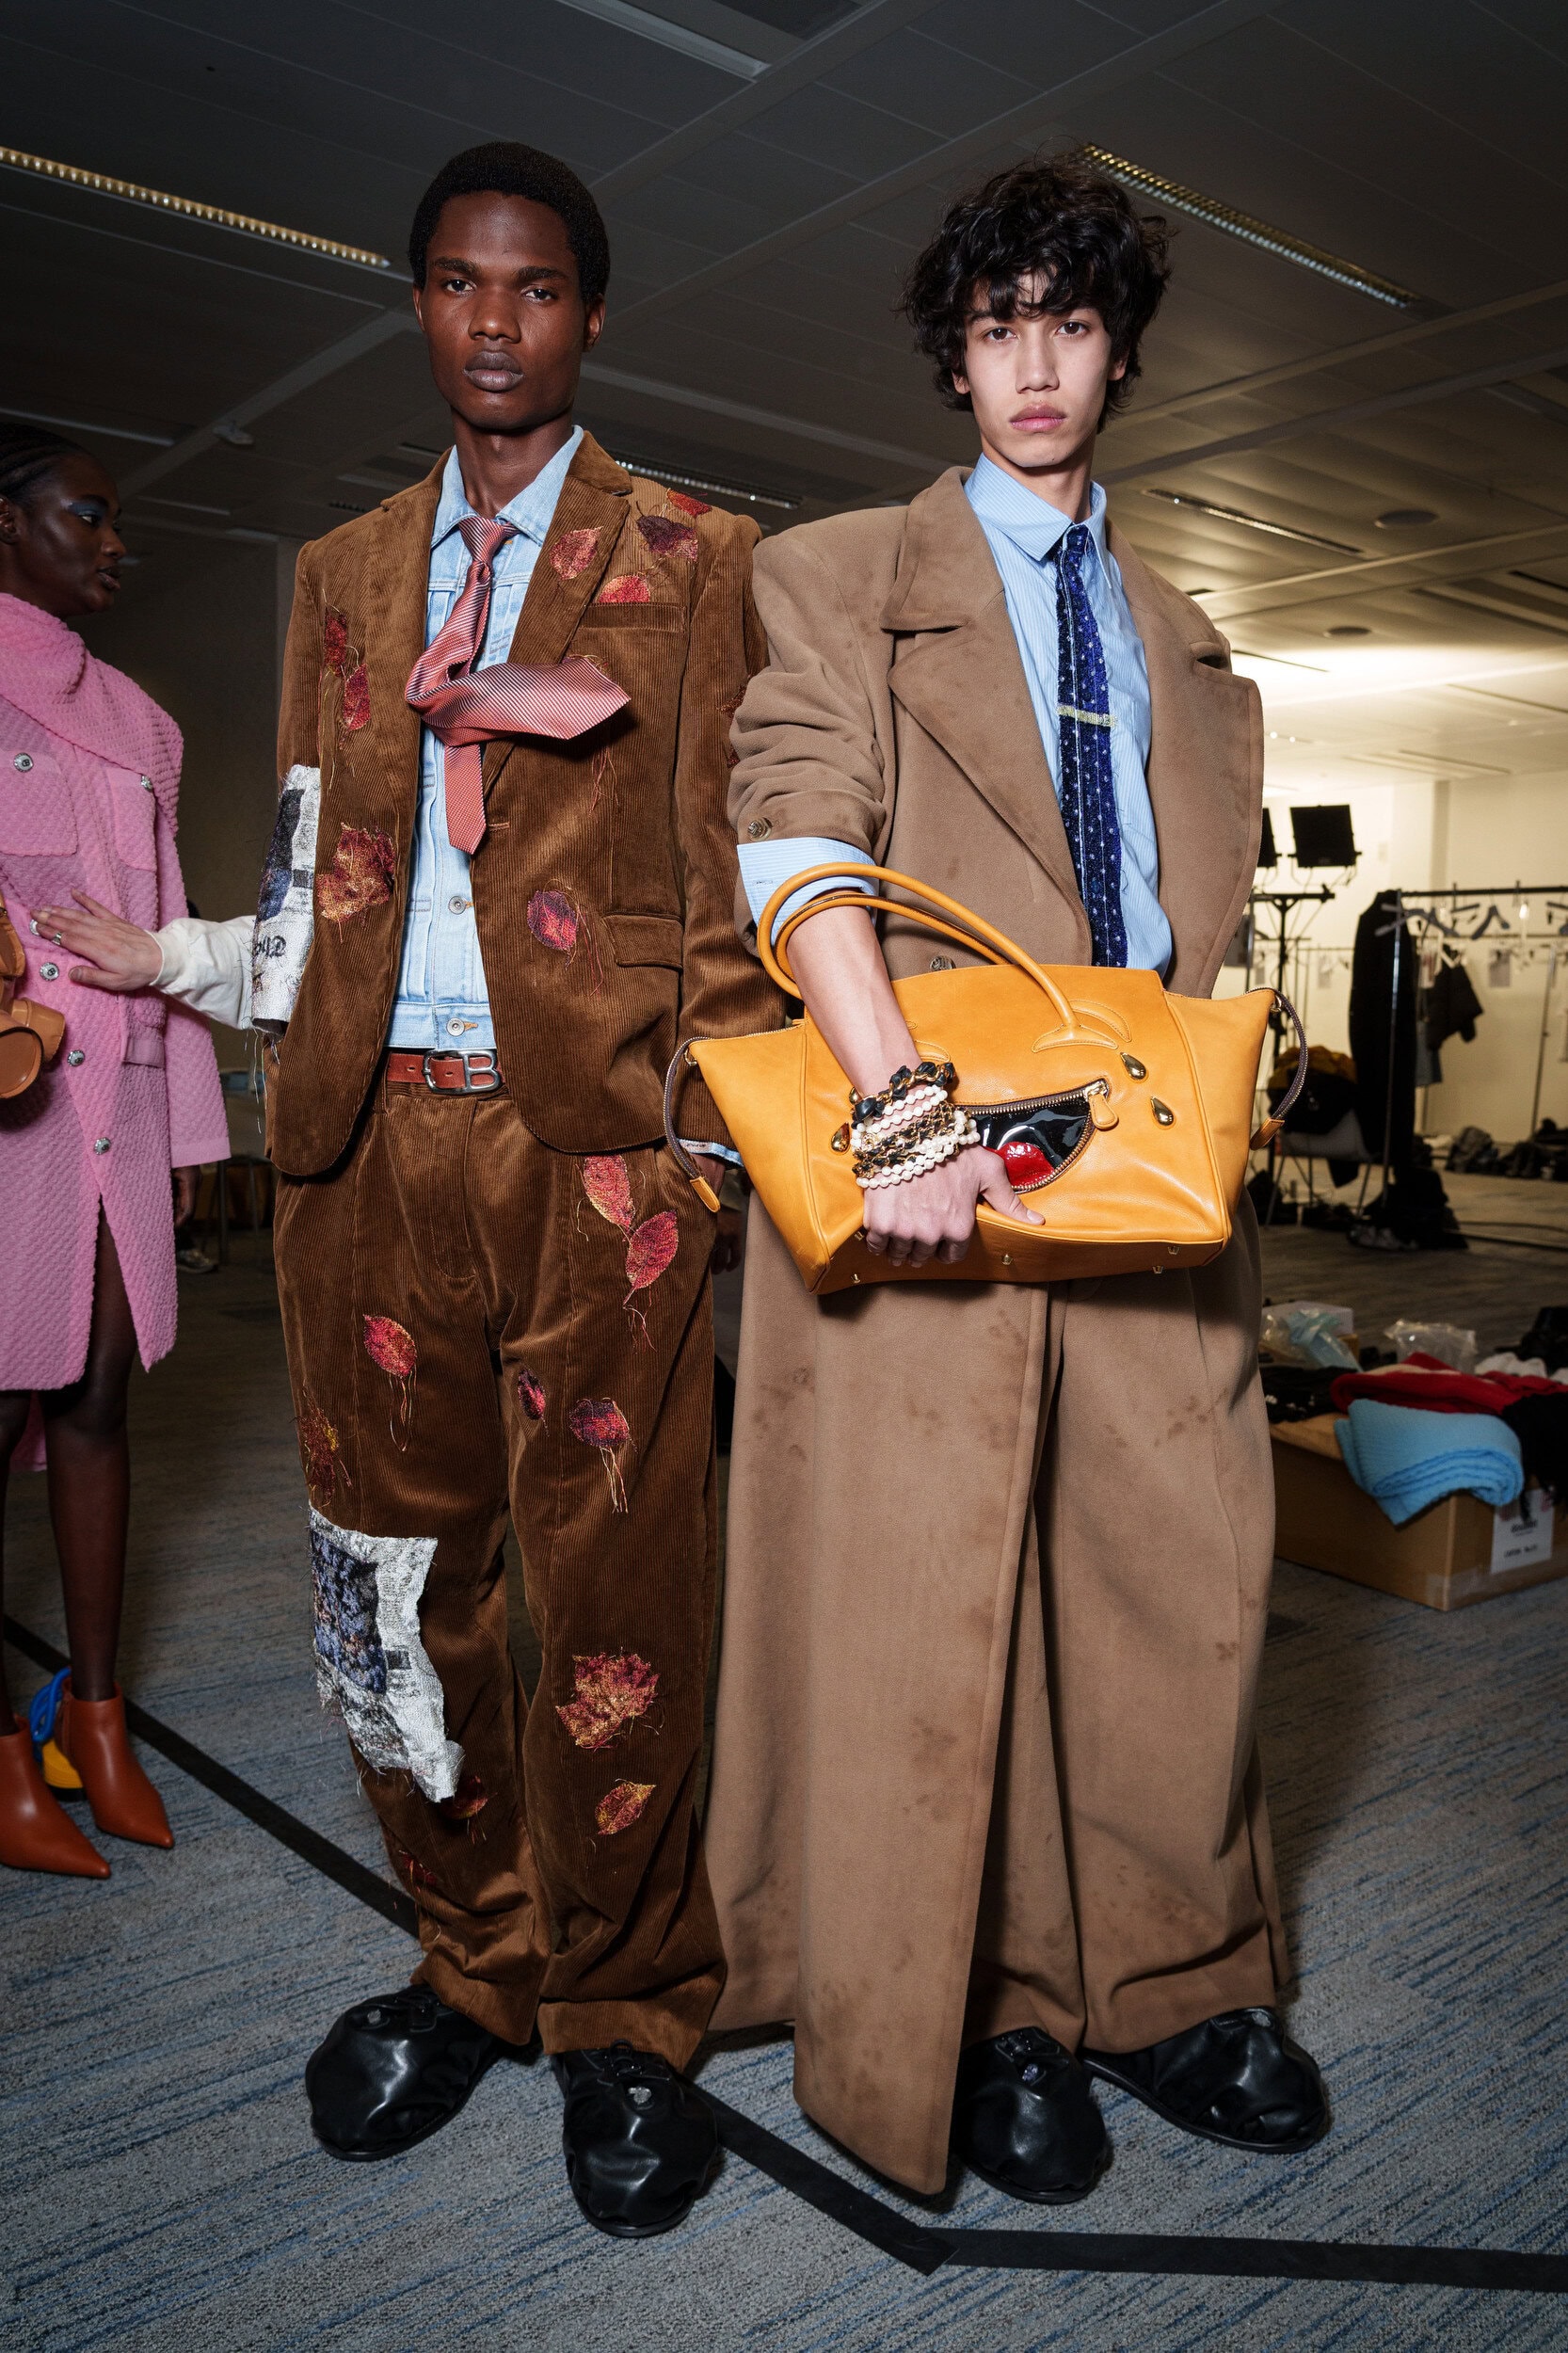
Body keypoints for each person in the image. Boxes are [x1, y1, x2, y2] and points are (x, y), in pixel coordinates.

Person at [703, 154, 1328, 2201]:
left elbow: (1172, 913)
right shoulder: (831, 574)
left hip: (1139, 1150)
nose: (1031, 365)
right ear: (950, 358)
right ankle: (969, 2007)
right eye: (995, 328)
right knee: (924, 1598)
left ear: (1118, 349)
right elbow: (794, 839)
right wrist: (897, 1113)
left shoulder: (1185, 633)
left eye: (1067, 323)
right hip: (922, 1151)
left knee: (1174, 1581)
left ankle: (1168, 1977)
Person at [246, 142, 776, 2237]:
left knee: (616, 1608)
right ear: (414, 304)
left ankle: (626, 2002)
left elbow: (730, 872)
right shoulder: (342, 571)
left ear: (588, 315)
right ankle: (469, 1950)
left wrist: (702, 1156)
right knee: (386, 1584)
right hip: (370, 1143)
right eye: (458, 284)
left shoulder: (695, 552)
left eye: (535, 288)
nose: (493, 320)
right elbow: (307, 857)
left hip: (597, 1164)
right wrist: (272, 1061)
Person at [0, 424, 229, 1880]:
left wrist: (194, 1120)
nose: (113, 541)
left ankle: (97, 1719)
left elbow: (169, 922)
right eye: (87, 515)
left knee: (96, 1401)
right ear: (8, 524)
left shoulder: (147, 724)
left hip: (125, 1099)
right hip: (10, 1103)